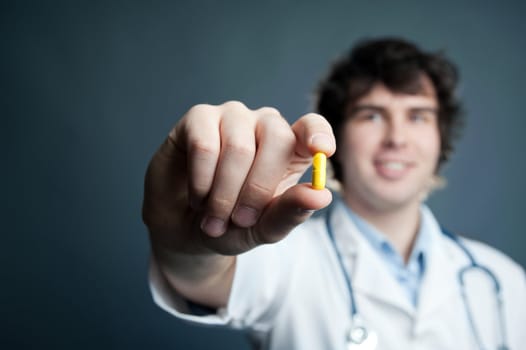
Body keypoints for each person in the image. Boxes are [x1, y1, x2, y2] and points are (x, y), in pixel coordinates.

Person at [142, 38, 525, 349]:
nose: (396, 138)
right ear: (336, 139)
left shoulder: (502, 280)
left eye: (418, 115)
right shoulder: (283, 257)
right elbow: (203, 278)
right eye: (371, 115)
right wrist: (189, 248)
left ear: (441, 139)